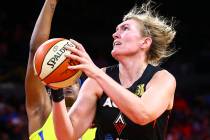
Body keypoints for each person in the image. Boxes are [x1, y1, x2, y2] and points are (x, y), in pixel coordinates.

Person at [52, 1, 177, 140]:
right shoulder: (96, 81)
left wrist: (96, 73)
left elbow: (143, 114)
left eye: (125, 28)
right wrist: (56, 91)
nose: (115, 34)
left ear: (145, 42)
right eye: (117, 29)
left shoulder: (162, 79)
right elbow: (66, 136)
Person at [24, 0, 96, 139]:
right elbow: (35, 51)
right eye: (62, 81)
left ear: (81, 90)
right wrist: (51, 2)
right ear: (50, 90)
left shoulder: (97, 125)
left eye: (74, 81)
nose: (68, 84)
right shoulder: (42, 112)